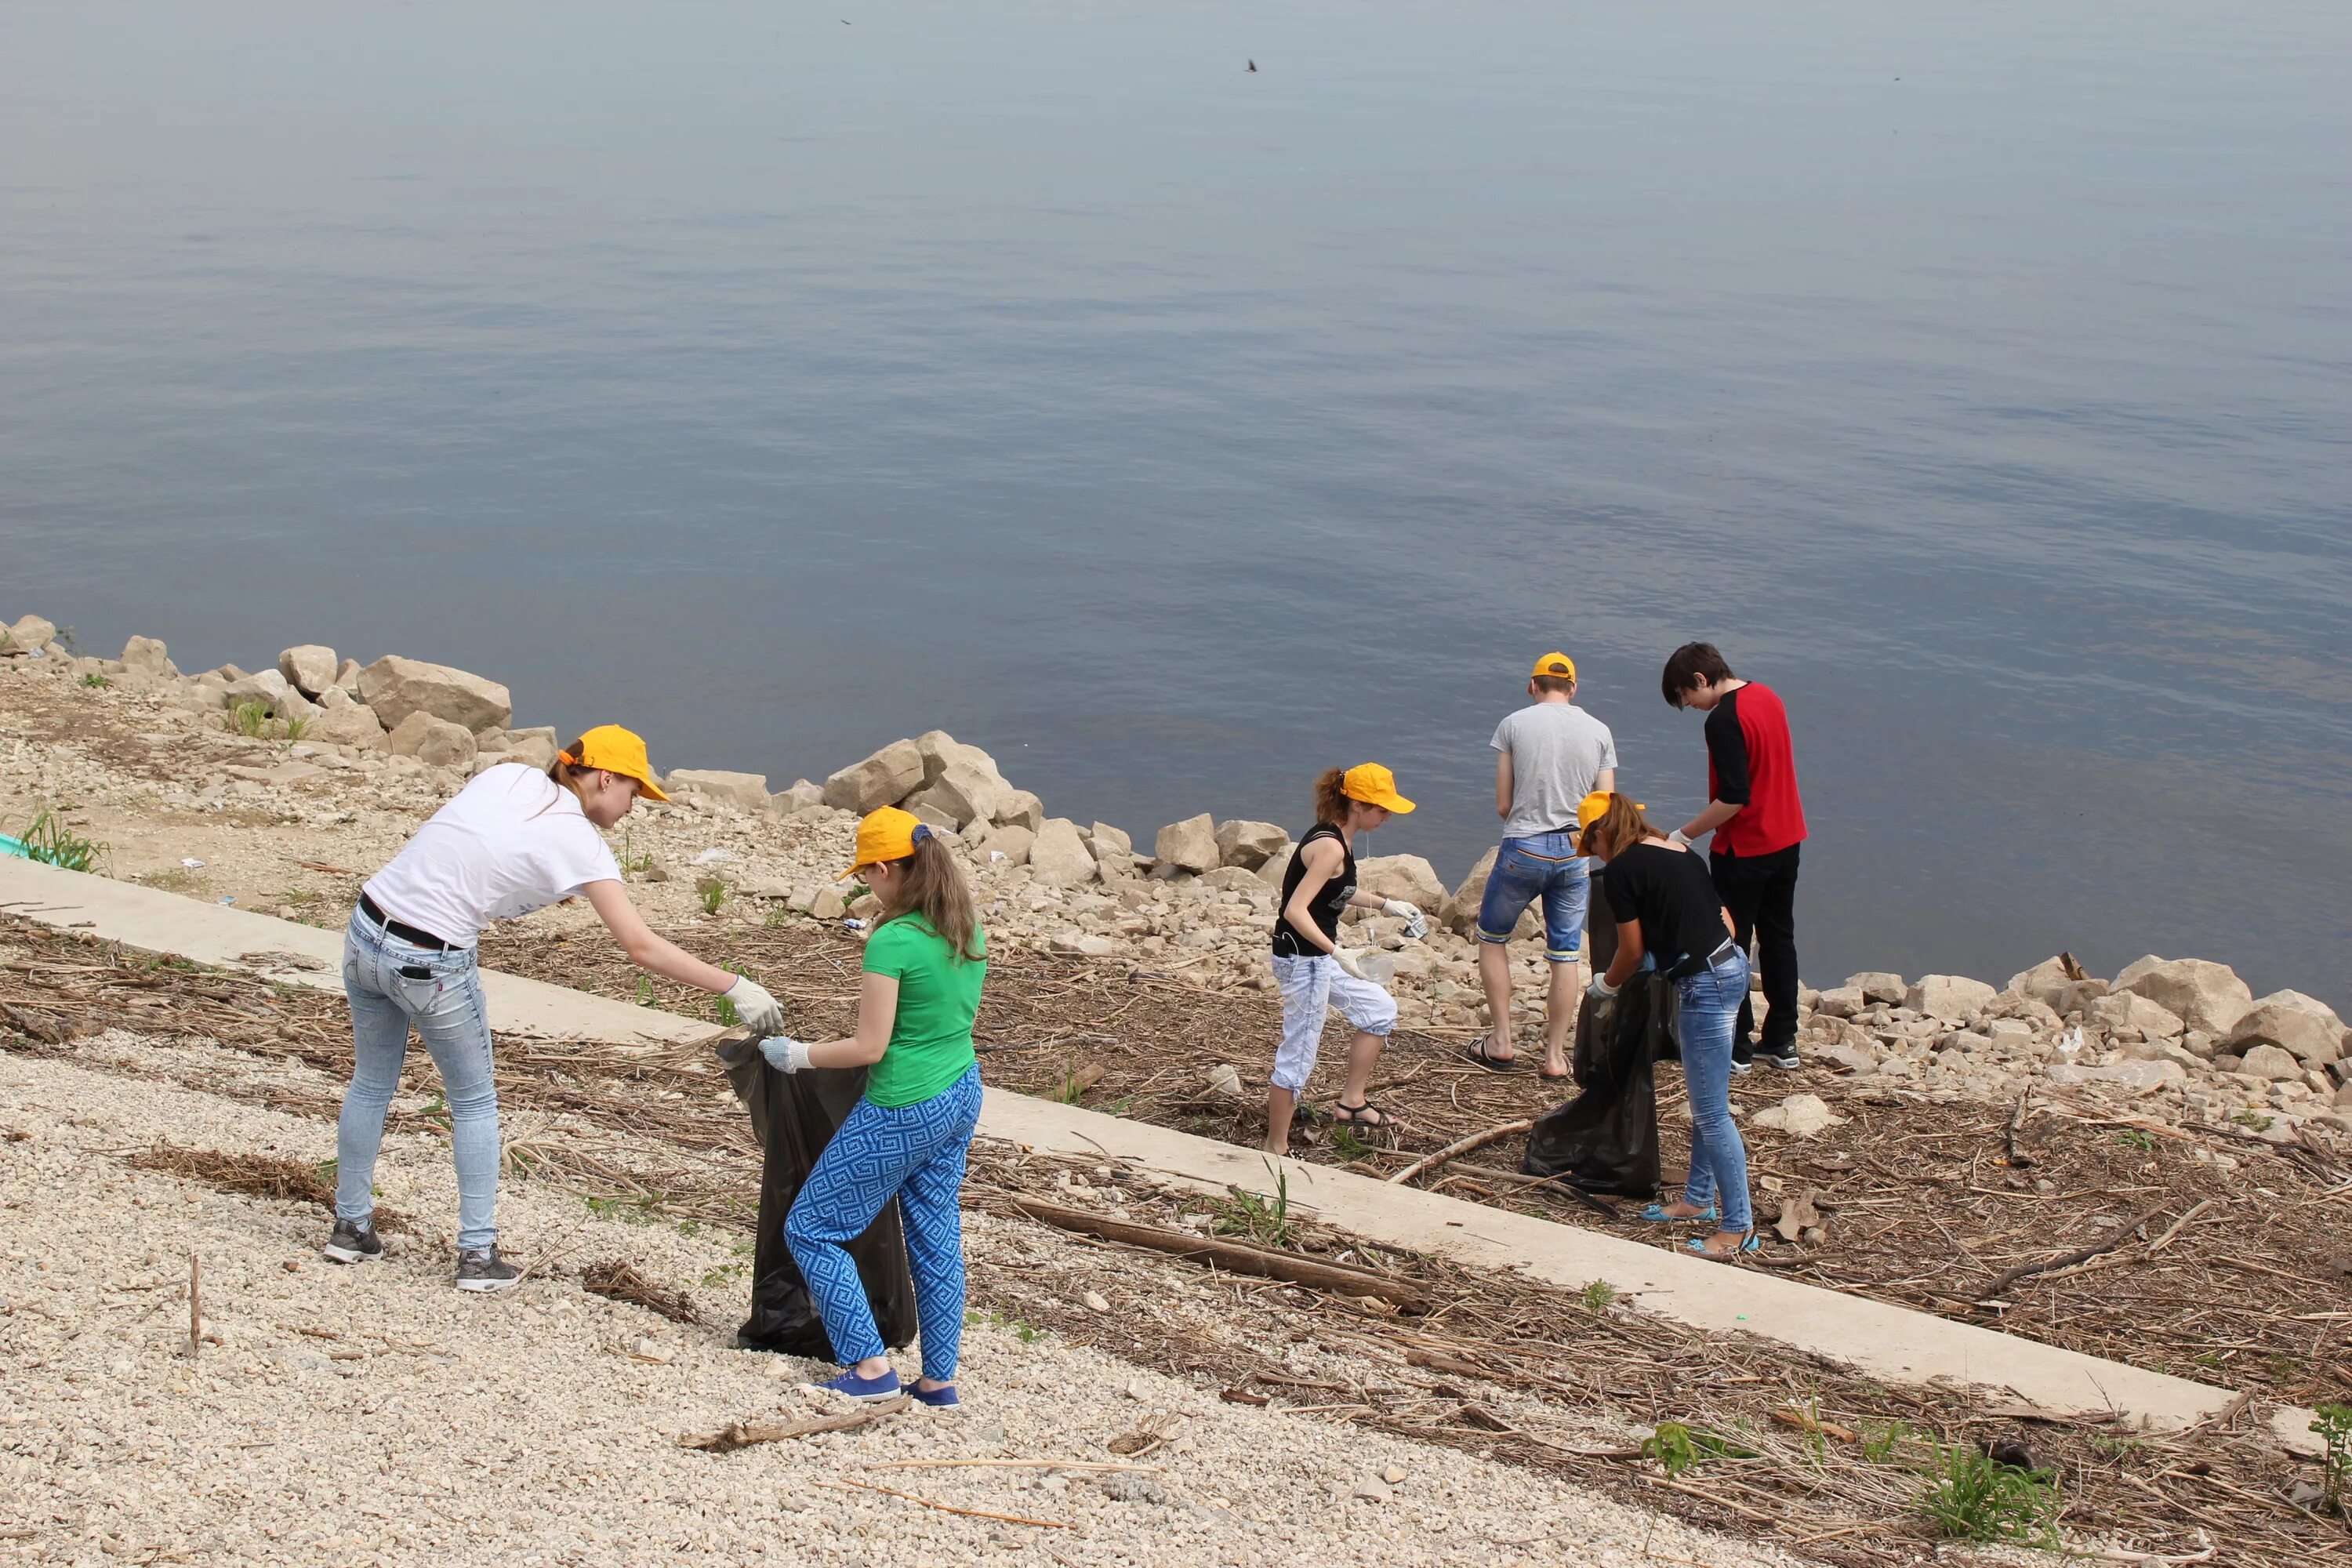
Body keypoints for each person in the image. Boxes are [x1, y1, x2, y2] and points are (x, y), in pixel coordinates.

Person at [327, 726, 785, 1290]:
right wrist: (735, 986)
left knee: (372, 1083)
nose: (634, 807)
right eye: (634, 793)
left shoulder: (507, 775)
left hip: (366, 928)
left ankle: (349, 1228)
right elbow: (641, 946)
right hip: (433, 959)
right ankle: (476, 1256)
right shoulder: (580, 842)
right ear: (604, 777)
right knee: (473, 1102)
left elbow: (474, 850)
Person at [768, 807, 985, 1407]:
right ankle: (939, 1380)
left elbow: (870, 1046)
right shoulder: (965, 924)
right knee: (936, 1234)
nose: (866, 885)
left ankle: (869, 1367)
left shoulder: (891, 941)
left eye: (867, 875)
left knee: (811, 1228)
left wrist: (799, 1054)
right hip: (962, 1090)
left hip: (903, 1105)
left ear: (888, 869)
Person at [1577, 789, 1757, 1260]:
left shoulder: (1620, 872)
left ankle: (1738, 1228)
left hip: (1704, 986)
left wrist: (1606, 988)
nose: (1591, 853)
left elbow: (1631, 951)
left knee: (1714, 1114)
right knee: (1707, 1097)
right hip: (1731, 965)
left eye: (1589, 844)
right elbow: (1727, 921)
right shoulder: (1679, 850)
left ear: (1602, 833)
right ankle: (1697, 1200)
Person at [1660, 642, 1807, 1072]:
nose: (1690, 704)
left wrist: (1682, 835)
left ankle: (1736, 1046)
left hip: (1744, 848)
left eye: (1686, 696)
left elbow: (1734, 798)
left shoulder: (1724, 720)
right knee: (1780, 938)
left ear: (1702, 680)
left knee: (1731, 945)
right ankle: (1782, 1039)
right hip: (1787, 837)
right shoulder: (1769, 696)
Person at [1470, 652, 1617, 1080]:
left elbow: (1503, 804)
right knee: (1565, 953)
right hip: (1575, 852)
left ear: (1532, 686)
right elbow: (1603, 809)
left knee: (1492, 938)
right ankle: (1555, 1056)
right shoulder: (1599, 731)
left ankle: (1500, 1041)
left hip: (1525, 848)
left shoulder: (1513, 725)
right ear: (1573, 688)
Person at [1265, 763, 1423, 1156]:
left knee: (1380, 1010)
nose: (1386, 816)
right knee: (1299, 1053)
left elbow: (1336, 888)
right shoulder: (1331, 845)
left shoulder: (1341, 838)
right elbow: (1295, 910)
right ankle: (1275, 1149)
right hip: (1304, 959)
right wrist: (1339, 952)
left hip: (1320, 958)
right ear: (1356, 804)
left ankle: (1351, 1103)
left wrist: (1389, 905)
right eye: (1381, 809)